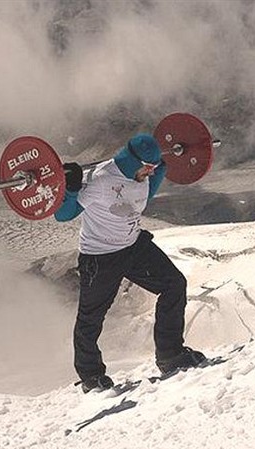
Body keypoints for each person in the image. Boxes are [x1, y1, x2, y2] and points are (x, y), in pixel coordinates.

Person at [54, 134, 205, 393]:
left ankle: (170, 355)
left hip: (134, 247)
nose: (151, 171)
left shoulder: (145, 176)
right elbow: (63, 214)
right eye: (147, 166)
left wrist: (169, 160)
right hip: (100, 257)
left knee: (174, 284)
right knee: (91, 317)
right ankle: (91, 377)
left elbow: (148, 189)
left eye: (153, 167)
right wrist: (69, 186)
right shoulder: (100, 181)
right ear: (131, 161)